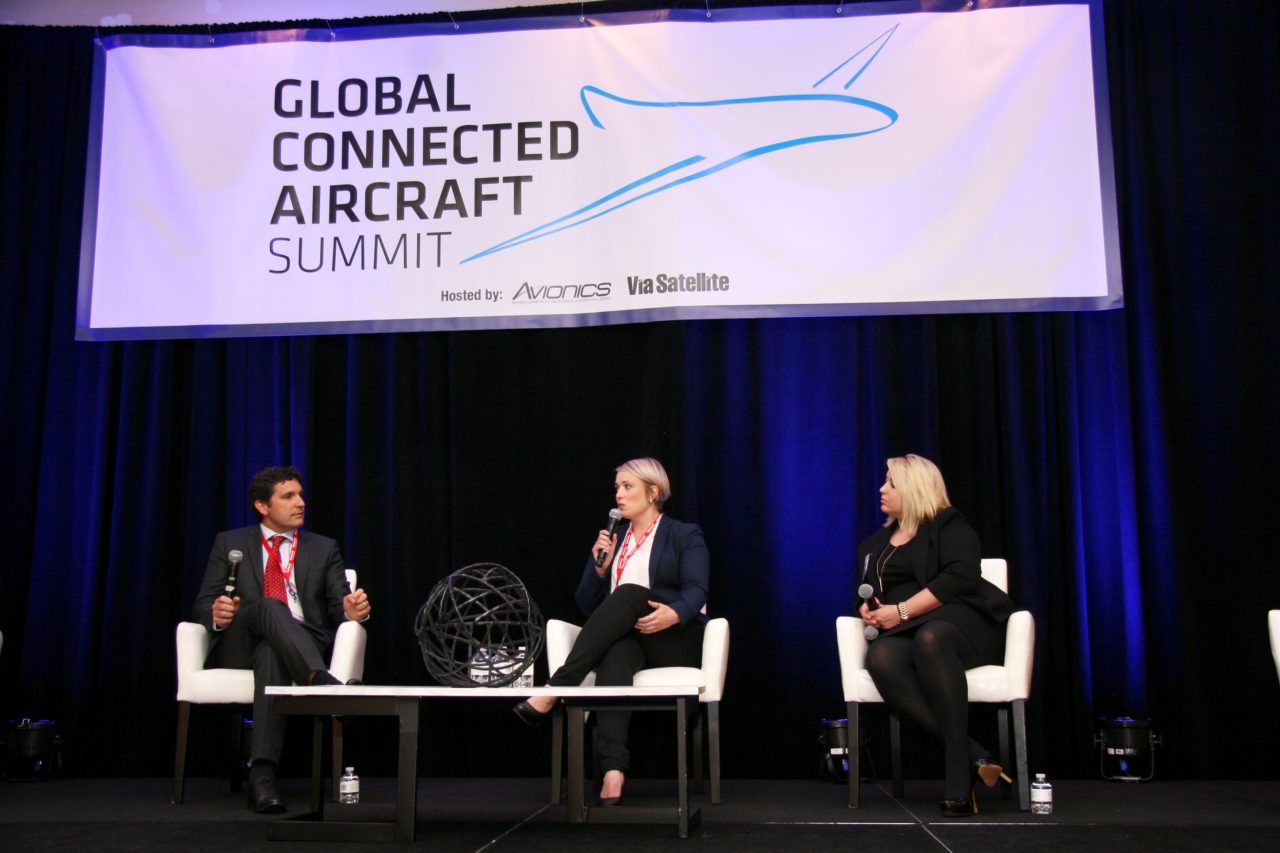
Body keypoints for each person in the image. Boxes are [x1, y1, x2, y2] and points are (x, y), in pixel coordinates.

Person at [513, 457, 709, 806]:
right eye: (617, 487)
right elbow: (587, 605)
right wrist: (599, 569)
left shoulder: (683, 533)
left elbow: (697, 590)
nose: (618, 494)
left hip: (672, 638)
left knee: (630, 592)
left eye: (627, 487)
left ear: (652, 492)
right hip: (630, 640)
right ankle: (613, 772)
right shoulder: (613, 540)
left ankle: (557, 686)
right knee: (616, 656)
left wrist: (674, 614)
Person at [193, 465, 371, 814]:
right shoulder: (230, 543)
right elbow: (202, 602)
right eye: (288, 496)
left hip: (299, 641)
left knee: (272, 652)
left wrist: (353, 610)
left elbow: (339, 606)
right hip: (242, 639)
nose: (300, 502)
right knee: (270, 607)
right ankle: (323, 683)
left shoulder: (323, 548)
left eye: (300, 495)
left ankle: (261, 778)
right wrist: (215, 613)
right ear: (262, 505)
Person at [856, 454, 1014, 817]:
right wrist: (867, 610)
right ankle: (975, 756)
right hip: (908, 630)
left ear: (913, 489)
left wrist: (902, 611)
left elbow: (959, 578)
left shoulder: (948, 524)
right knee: (880, 657)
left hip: (964, 622)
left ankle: (958, 776)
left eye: (891, 483)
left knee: (932, 637)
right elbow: (865, 591)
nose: (882, 488)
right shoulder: (874, 544)